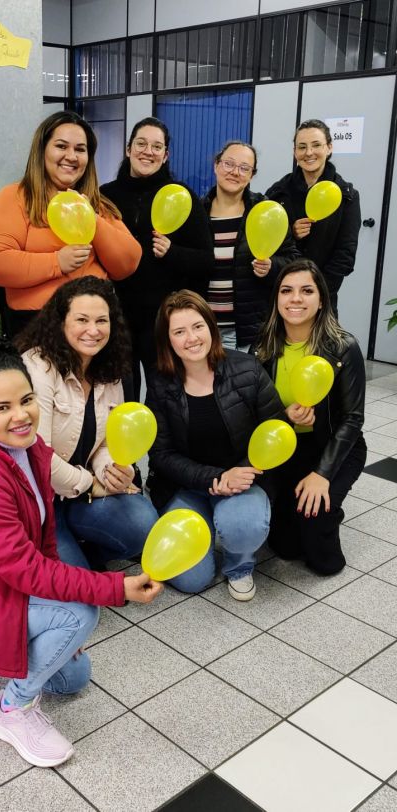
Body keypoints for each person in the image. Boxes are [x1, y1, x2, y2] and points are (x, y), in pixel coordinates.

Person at [0, 339, 162, 767]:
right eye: (2, 407)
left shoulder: (28, 450)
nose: (21, 414)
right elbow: (26, 570)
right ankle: (11, 710)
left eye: (26, 400)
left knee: (72, 677)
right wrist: (115, 586)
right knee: (81, 614)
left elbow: (42, 539)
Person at [145, 290, 284, 600]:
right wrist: (214, 479)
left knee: (243, 524)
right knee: (193, 580)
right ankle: (204, 529)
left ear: (211, 327)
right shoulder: (160, 382)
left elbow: (276, 431)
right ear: (167, 340)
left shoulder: (247, 368)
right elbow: (160, 454)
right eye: (179, 332)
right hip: (185, 484)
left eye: (197, 326)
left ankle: (239, 564)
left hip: (243, 481)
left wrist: (245, 471)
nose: (191, 338)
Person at [16, 276, 159, 569]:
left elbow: (107, 440)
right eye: (82, 319)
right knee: (78, 604)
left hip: (78, 495)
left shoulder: (109, 368)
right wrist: (92, 485)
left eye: (101, 321)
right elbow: (36, 454)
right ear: (61, 322)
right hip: (39, 501)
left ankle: (85, 551)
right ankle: (64, 551)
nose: (93, 330)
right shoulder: (37, 367)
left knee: (144, 523)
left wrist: (111, 471)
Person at [0, 111, 141, 337]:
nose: (71, 156)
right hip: (37, 327)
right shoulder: (16, 196)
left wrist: (91, 219)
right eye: (61, 146)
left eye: (80, 149)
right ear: (42, 150)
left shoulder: (97, 204)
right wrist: (57, 262)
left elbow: (128, 263)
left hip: (95, 329)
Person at [253, 260, 366, 574]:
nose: (296, 299)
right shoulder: (263, 347)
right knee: (284, 546)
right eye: (286, 290)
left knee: (321, 554)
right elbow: (257, 411)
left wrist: (323, 474)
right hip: (287, 449)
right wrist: (285, 417)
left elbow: (353, 420)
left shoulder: (343, 347)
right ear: (277, 298)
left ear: (321, 300)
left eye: (307, 290)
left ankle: (329, 511)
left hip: (335, 448)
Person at [100, 117, 212, 396]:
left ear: (166, 155)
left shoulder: (181, 197)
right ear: (128, 149)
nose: (147, 151)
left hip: (163, 320)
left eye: (156, 146)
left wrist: (172, 253)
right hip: (117, 317)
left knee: (164, 395)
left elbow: (206, 262)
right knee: (119, 394)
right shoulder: (105, 196)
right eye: (141, 143)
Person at [202, 140, 298, 351]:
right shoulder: (197, 212)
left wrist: (271, 266)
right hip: (201, 328)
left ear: (252, 175)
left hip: (246, 331)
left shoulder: (265, 212)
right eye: (228, 164)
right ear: (216, 165)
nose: (235, 172)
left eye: (244, 168)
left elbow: (293, 261)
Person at [266, 119, 361, 312]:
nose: (309, 153)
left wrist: (317, 294)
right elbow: (266, 245)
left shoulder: (346, 196)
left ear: (329, 148)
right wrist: (290, 233)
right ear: (295, 152)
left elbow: (345, 255)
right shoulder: (278, 193)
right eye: (302, 147)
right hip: (283, 299)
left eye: (316, 145)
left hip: (323, 300)